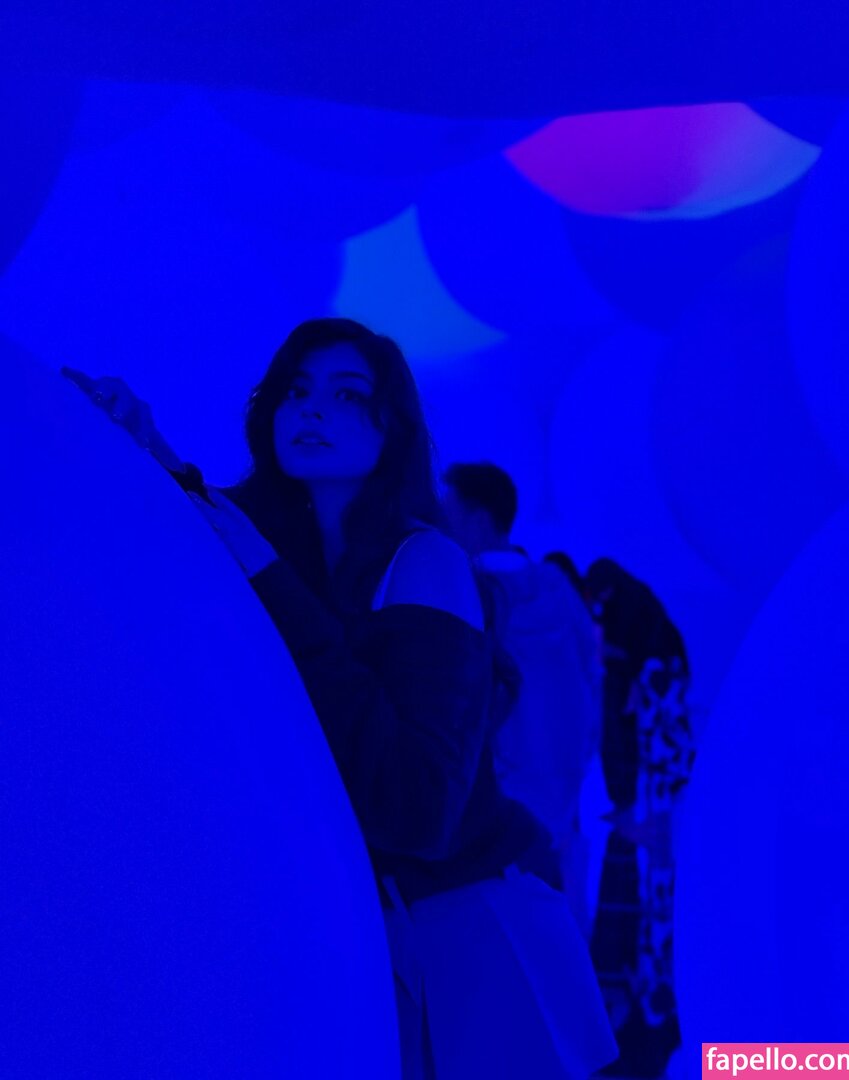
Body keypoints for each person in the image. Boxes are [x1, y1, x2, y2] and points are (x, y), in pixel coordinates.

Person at [66, 319, 616, 1079]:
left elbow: (416, 812)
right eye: (296, 391)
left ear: (392, 428)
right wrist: (146, 450)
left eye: (347, 394)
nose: (314, 408)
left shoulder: (426, 560)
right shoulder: (282, 552)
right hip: (350, 946)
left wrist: (268, 577)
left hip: (466, 937)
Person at [441, 465, 604, 921]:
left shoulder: (463, 594)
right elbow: (593, 682)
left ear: (477, 519)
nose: (438, 525)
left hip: (495, 802)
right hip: (561, 789)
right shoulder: (559, 591)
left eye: (447, 513)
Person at [583, 558, 694, 1079]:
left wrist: (648, 815)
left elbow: (668, 755)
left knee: (647, 949)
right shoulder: (646, 654)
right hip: (643, 832)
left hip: (649, 834)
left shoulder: (652, 663)